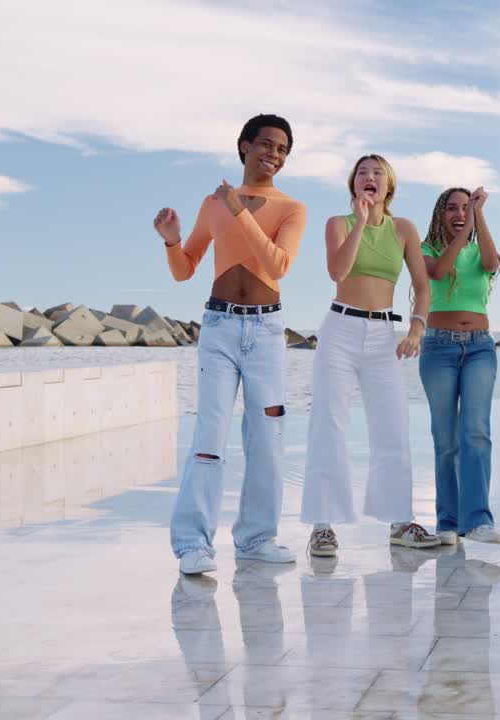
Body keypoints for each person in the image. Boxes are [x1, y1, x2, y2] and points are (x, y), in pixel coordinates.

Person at [155, 114, 306, 575]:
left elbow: (278, 265)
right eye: (266, 145)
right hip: (219, 327)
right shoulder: (211, 204)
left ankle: (258, 537)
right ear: (244, 146)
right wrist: (173, 241)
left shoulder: (292, 208)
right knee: (210, 436)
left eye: (282, 150)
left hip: (266, 332)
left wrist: (239, 210)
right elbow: (185, 270)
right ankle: (193, 545)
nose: (273, 155)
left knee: (267, 438)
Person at [300, 154, 441, 557]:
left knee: (392, 426)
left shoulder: (404, 229)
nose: (369, 177)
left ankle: (400, 521)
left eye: (377, 173)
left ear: (389, 186)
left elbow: (422, 286)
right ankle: (323, 527)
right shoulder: (338, 224)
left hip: (383, 334)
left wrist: (416, 327)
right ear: (353, 185)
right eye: (362, 172)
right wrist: (360, 222)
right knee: (328, 424)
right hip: (339, 330)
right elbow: (337, 272)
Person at [419, 187, 500, 544]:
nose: (459, 213)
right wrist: (465, 225)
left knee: (476, 433)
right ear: (441, 213)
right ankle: (448, 523)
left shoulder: (480, 244)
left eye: (465, 208)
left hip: (480, 348)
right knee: (446, 439)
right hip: (439, 348)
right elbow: (438, 272)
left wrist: (478, 217)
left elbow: (490, 263)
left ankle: (479, 520)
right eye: (452, 208)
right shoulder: (425, 250)